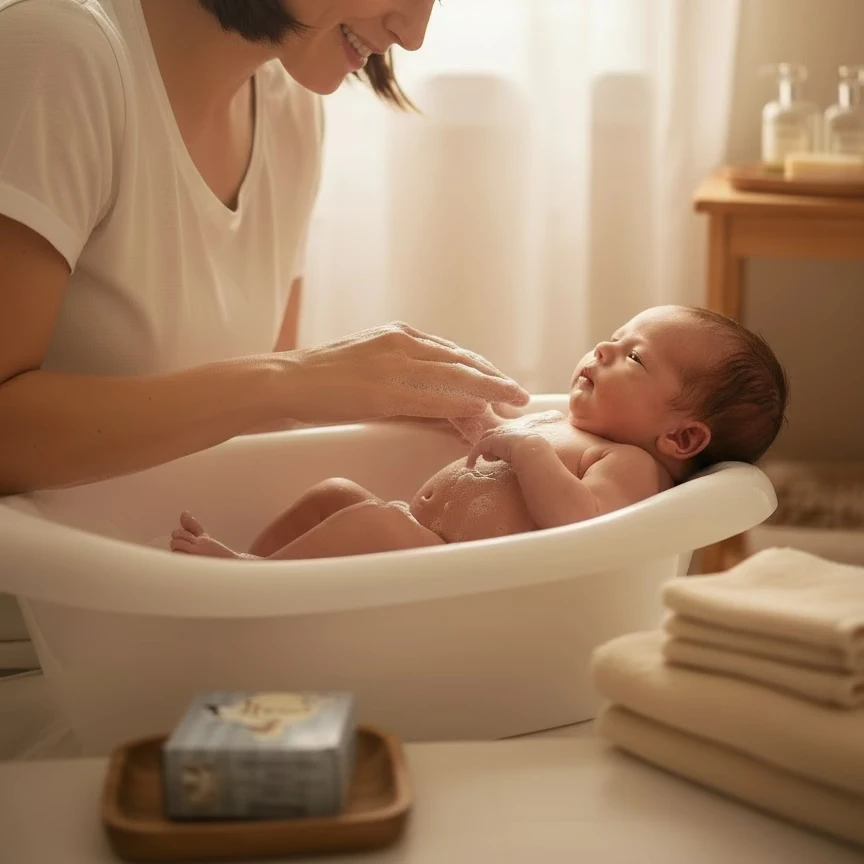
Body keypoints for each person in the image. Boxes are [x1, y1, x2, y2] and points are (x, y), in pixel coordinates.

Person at [0, 0, 530, 498]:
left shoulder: (288, 106)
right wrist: (293, 380)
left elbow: (255, 425)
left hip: (158, 570)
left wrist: (378, 409)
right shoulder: (58, 54)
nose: (413, 36)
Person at [169, 305, 790, 560]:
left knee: (377, 523)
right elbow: (487, 434)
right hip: (421, 540)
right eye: (615, 337)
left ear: (682, 440)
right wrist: (460, 405)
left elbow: (582, 524)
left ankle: (253, 583)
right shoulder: (565, 424)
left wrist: (525, 449)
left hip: (453, 572)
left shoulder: (630, 465)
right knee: (336, 491)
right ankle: (253, 565)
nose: (604, 348)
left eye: (633, 358)